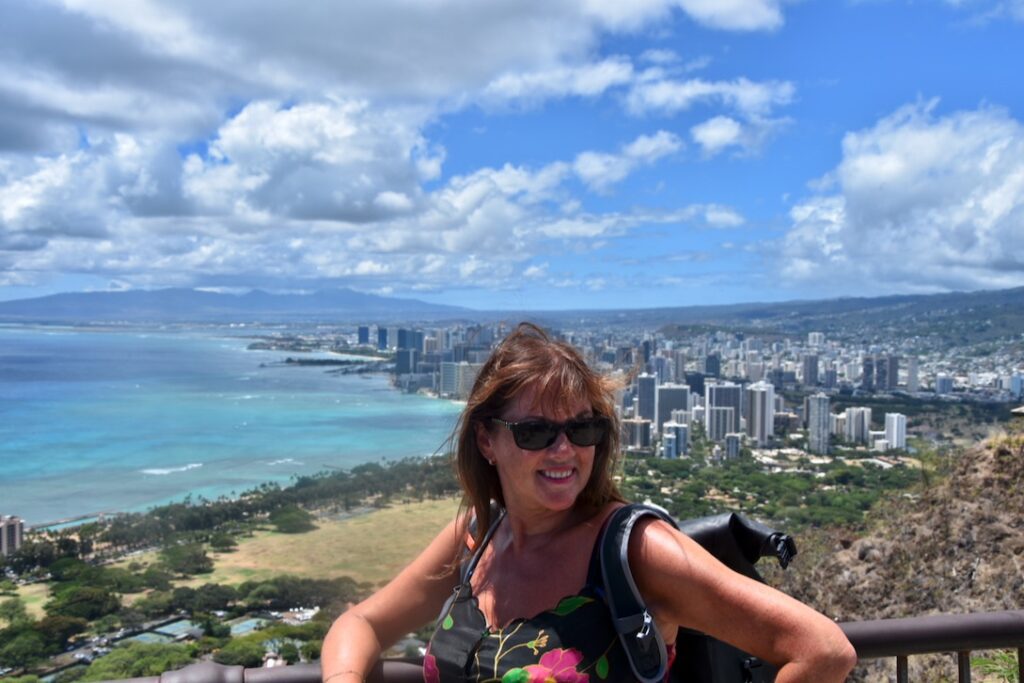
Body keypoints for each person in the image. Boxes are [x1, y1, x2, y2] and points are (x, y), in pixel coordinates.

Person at [322, 323, 857, 683]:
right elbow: (362, 625)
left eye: (582, 428)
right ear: (487, 441)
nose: (564, 450)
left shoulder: (635, 551)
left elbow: (822, 649)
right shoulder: (477, 534)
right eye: (534, 432)